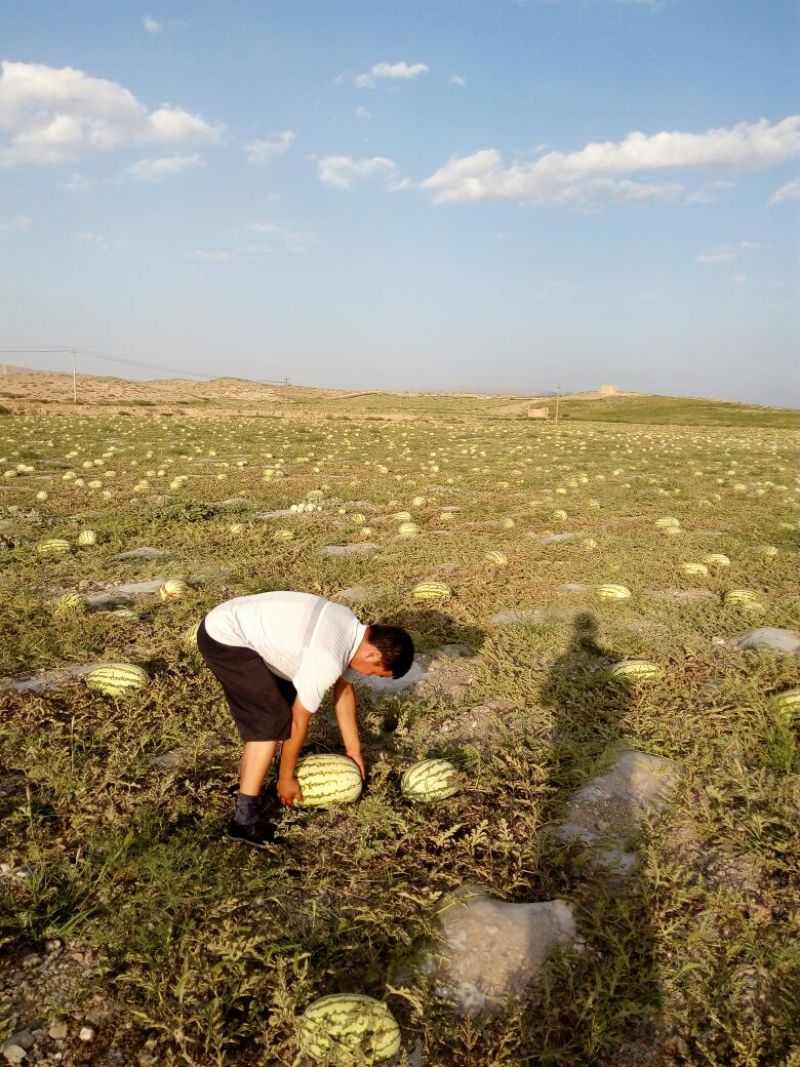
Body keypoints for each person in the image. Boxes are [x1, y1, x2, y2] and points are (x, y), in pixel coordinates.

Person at [197, 590, 415, 848]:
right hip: (224, 637)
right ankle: (244, 819)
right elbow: (300, 721)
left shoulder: (350, 628)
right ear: (373, 656)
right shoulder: (327, 659)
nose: (371, 677)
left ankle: (252, 780)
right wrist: (286, 778)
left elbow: (343, 692)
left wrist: (354, 752)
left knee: (281, 708)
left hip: (238, 625)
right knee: (272, 720)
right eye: (377, 674)